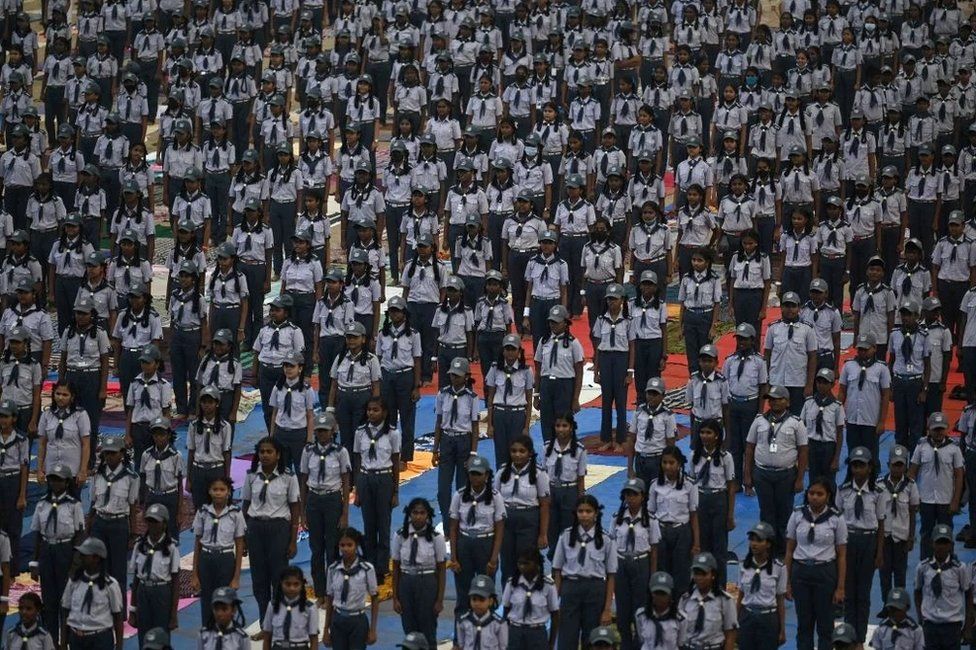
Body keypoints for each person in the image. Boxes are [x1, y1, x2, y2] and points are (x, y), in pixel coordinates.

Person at [744, 385, 809, 555]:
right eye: (771, 399)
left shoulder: (796, 423)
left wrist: (800, 478)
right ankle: (767, 549)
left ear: (787, 402)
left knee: (784, 514)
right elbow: (750, 448)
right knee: (766, 514)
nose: (774, 402)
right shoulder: (759, 421)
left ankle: (782, 552)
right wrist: (747, 475)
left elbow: (803, 451)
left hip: (785, 475)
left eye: (778, 399)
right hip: (762, 474)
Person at [241, 437, 300, 622]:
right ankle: (263, 623)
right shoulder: (251, 476)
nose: (265, 455)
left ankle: (279, 621)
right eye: (262, 452)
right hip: (255, 528)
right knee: (259, 579)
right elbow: (245, 505)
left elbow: (294, 508)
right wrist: (243, 537)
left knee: (278, 576)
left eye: (269, 452)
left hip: (278, 529)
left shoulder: (288, 477)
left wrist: (292, 540)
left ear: (278, 455)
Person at [785, 478, 847, 650]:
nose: (814, 497)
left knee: (825, 626)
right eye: (811, 493)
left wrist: (840, 587)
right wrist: (787, 582)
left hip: (825, 573)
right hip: (801, 572)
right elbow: (789, 550)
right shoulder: (797, 514)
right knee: (804, 624)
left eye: (819, 494)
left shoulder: (836, 519)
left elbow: (842, 555)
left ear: (828, 496)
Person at [836, 447, 887, 645]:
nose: (857, 470)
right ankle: (849, 636)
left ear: (870, 468)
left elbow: (881, 523)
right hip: (848, 541)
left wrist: (879, 552)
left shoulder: (877, 492)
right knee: (849, 592)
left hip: (868, 541)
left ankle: (860, 638)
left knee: (863, 594)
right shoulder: (844, 490)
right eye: (854, 466)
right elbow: (837, 521)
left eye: (861, 465)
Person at [552, 494, 616, 650]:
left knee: (592, 638)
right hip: (570, 588)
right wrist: (554, 602)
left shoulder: (606, 539)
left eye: (589, 511)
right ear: (575, 513)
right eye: (581, 511)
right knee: (567, 638)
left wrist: (607, 609)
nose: (584, 515)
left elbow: (611, 575)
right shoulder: (566, 536)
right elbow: (558, 570)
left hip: (595, 590)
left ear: (596, 514)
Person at [28, 464, 83, 644]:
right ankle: (50, 641)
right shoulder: (42, 504)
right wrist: (34, 563)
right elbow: (37, 534)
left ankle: (65, 642)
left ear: (67, 482)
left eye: (59, 479)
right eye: (52, 479)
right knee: (49, 600)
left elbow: (79, 536)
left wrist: (75, 565)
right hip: (47, 550)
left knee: (65, 600)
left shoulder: (74, 505)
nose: (55, 483)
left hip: (64, 550)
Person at [353, 397, 401, 583]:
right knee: (369, 524)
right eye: (369, 410)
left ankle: (381, 567)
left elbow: (396, 461)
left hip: (384, 478)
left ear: (384, 412)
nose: (371, 413)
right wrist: (357, 489)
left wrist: (395, 491)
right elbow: (357, 460)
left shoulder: (393, 434)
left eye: (375, 410)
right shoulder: (360, 433)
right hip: (365, 478)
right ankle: (370, 563)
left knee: (383, 523)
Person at [611, 478, 660, 649]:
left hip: (641, 564)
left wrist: (652, 576)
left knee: (640, 608)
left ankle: (639, 644)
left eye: (634, 494)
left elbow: (654, 550)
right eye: (627, 494)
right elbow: (611, 545)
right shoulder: (617, 518)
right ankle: (625, 644)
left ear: (643, 496)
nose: (630, 498)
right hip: (621, 563)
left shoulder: (651, 520)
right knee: (623, 609)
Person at [190, 475, 245, 622]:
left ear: (228, 492)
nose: (218, 493)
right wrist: (195, 574)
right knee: (207, 600)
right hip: (206, 559)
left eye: (222, 489)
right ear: (209, 491)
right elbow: (197, 543)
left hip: (226, 560)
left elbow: (239, 545)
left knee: (225, 600)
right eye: (215, 489)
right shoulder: (202, 512)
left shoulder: (235, 513)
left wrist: (236, 577)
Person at [909, 412, 964, 559]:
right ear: (929, 429)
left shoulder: (954, 448)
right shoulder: (921, 446)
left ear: (946, 429)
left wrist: (955, 501)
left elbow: (959, 476)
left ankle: (949, 565)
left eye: (941, 429)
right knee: (926, 533)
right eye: (935, 429)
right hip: (926, 499)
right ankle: (925, 565)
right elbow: (912, 472)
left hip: (945, 500)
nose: (939, 432)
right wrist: (912, 496)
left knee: (946, 533)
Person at [648, 446, 699, 590]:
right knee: (662, 570)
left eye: (671, 463)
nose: (667, 466)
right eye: (664, 462)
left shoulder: (689, 484)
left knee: (681, 572)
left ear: (679, 464)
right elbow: (650, 514)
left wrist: (696, 543)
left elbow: (694, 515)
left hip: (682, 532)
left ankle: (680, 606)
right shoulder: (655, 485)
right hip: (660, 531)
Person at [128, 504, 180, 645]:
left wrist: (173, 614)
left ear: (164, 524)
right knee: (143, 634)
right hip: (144, 591)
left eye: (156, 521)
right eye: (149, 521)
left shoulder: (171, 548)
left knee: (161, 634)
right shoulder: (140, 546)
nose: (152, 525)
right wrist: (132, 609)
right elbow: (136, 579)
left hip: (162, 592)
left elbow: (175, 582)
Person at [913, 524, 971, 648]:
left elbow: (968, 594)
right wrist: (920, 618)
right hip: (930, 625)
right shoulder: (923, 567)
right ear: (932, 543)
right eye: (939, 542)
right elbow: (917, 591)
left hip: (952, 625)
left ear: (951, 545)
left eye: (945, 543)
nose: (941, 547)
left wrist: (967, 626)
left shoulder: (959, 568)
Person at [60, 538, 124, 650]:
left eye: (85, 555)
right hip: (76, 638)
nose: (80, 557)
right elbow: (65, 611)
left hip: (100, 638)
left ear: (96, 558)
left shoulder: (110, 585)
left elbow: (118, 617)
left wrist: (119, 646)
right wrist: (64, 643)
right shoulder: (74, 581)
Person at [839, 333, 892, 470]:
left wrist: (881, 421)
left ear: (874, 348)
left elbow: (885, 396)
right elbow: (842, 392)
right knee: (853, 454)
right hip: (852, 419)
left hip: (871, 420)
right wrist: (839, 413)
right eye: (860, 349)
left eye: (865, 349)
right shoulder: (849, 366)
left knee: (872, 456)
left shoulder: (881, 369)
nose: (862, 352)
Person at [324, 528, 380, 649]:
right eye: (342, 545)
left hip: (358, 620)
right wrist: (325, 630)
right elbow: (329, 598)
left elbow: (375, 598)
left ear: (357, 545)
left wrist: (373, 629)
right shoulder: (333, 569)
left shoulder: (367, 569)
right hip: (338, 619)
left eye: (349, 545)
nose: (345, 549)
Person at [764, 292, 818, 415]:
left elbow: (812, 357)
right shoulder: (773, 328)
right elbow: (767, 355)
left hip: (798, 382)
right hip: (777, 380)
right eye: (787, 306)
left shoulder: (807, 329)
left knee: (796, 418)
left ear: (799, 308)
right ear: (781, 307)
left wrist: (809, 384)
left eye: (793, 306)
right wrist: (766, 382)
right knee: (776, 416)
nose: (790, 309)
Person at [737, 521, 787, 647]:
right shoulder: (744, 566)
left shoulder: (779, 568)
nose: (754, 544)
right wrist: (736, 623)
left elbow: (780, 599)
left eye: (759, 540)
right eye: (752, 540)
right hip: (747, 617)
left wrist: (782, 629)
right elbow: (740, 596)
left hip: (768, 619)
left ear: (768, 544)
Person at [678, 552, 738, 650]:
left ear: (713, 574)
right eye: (696, 574)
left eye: (704, 574)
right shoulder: (685, 599)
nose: (699, 578)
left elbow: (730, 634)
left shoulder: (725, 600)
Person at [800, 368, 846, 484]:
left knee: (829, 481)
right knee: (813, 479)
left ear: (832, 384)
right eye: (819, 382)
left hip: (828, 447)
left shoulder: (836, 407)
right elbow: (802, 428)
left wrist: (836, 458)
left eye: (825, 383)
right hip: (812, 446)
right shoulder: (809, 403)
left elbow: (839, 434)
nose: (821, 385)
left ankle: (830, 502)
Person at [260, 566, 318, 650]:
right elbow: (267, 635)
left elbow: (314, 639)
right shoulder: (273, 606)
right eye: (288, 584)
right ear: (281, 583)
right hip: (278, 647)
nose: (292, 588)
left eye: (296, 584)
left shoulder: (310, 608)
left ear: (302, 585)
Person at [455, 574, 508, 649]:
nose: (477, 603)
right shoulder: (463, 621)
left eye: (481, 600)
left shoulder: (499, 623)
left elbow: (503, 647)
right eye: (474, 599)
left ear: (490, 601)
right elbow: (461, 645)